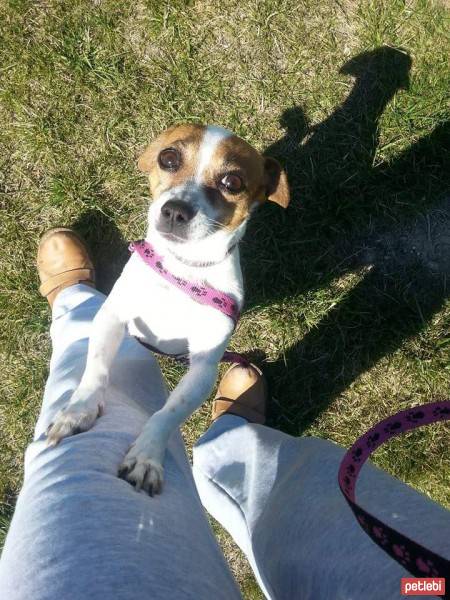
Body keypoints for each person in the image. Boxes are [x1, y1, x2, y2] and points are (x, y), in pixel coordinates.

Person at [0, 229, 448, 600]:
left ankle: (77, 311)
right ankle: (234, 446)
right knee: (310, 501)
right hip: (424, 583)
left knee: (86, 449)